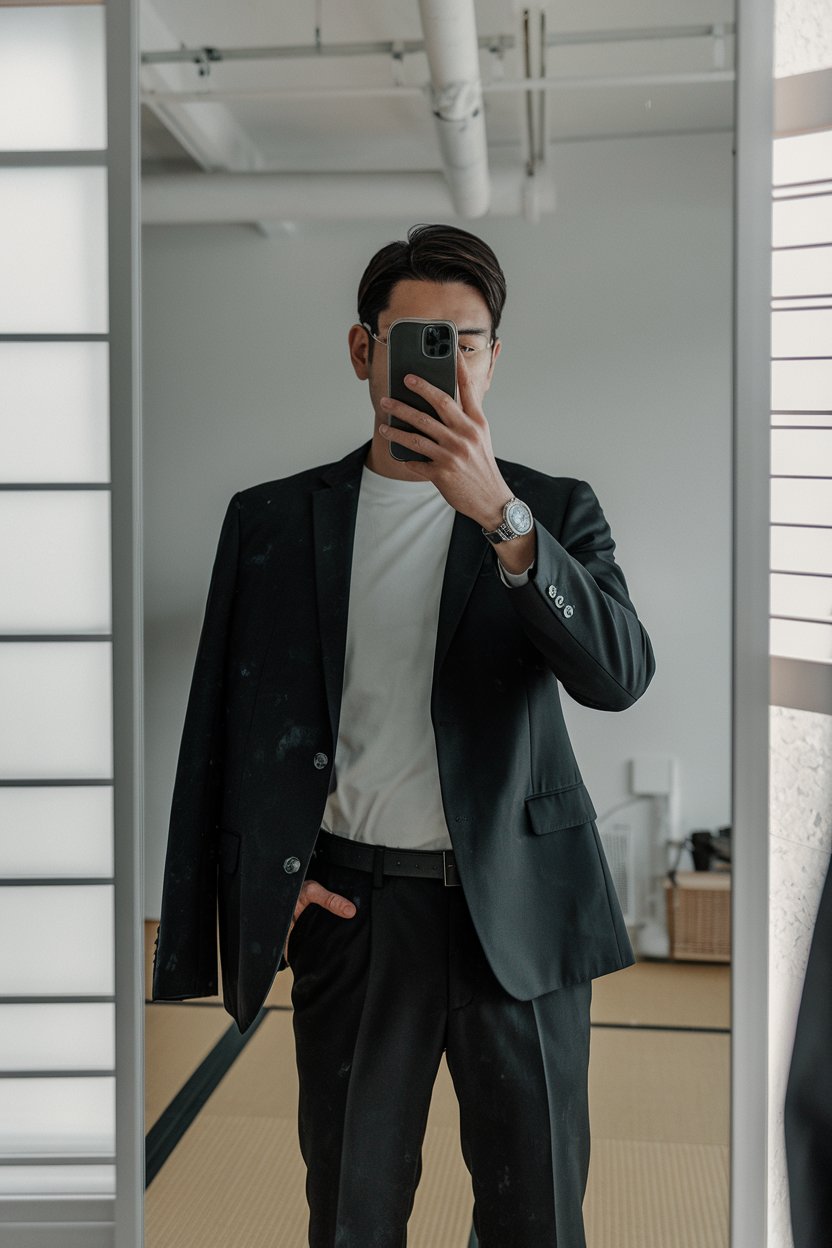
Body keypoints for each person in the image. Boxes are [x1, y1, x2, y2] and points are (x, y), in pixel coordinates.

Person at [152, 223, 656, 1247]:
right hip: (354, 910)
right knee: (350, 1213)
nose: (447, 362)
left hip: (518, 912)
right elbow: (224, 729)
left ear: (494, 358)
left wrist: (502, 520)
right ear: (362, 351)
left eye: (466, 342)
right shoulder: (270, 521)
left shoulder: (550, 508)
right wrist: (259, 886)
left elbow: (617, 676)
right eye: (419, 339)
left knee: (539, 1216)